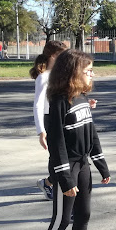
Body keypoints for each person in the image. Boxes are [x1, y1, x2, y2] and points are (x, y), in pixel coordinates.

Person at [37, 49, 110, 230]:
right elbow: (56, 145)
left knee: (84, 215)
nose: (92, 74)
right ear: (72, 73)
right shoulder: (58, 103)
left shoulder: (81, 99)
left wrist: (100, 163)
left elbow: (92, 134)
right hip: (66, 169)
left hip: (83, 166)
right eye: (88, 70)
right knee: (61, 221)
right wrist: (65, 179)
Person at [30, 41, 68, 200]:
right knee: (57, 156)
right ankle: (48, 183)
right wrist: (41, 131)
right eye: (63, 55)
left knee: (67, 154)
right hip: (50, 120)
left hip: (63, 117)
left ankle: (51, 182)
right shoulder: (44, 77)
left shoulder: (62, 74)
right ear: (53, 56)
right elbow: (37, 105)